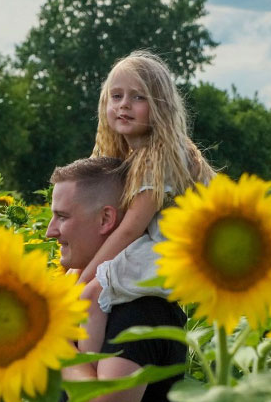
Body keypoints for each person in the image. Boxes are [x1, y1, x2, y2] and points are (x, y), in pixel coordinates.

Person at [76, 51, 215, 364]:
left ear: (160, 107)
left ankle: (84, 371)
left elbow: (129, 228)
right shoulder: (137, 153)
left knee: (88, 297)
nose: (124, 104)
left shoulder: (156, 157)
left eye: (138, 97)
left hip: (166, 253)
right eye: (116, 96)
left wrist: (84, 277)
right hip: (155, 248)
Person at [46, 157, 187, 401]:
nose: (50, 231)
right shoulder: (80, 291)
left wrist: (50, 342)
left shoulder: (138, 310)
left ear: (105, 220)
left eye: (62, 217)